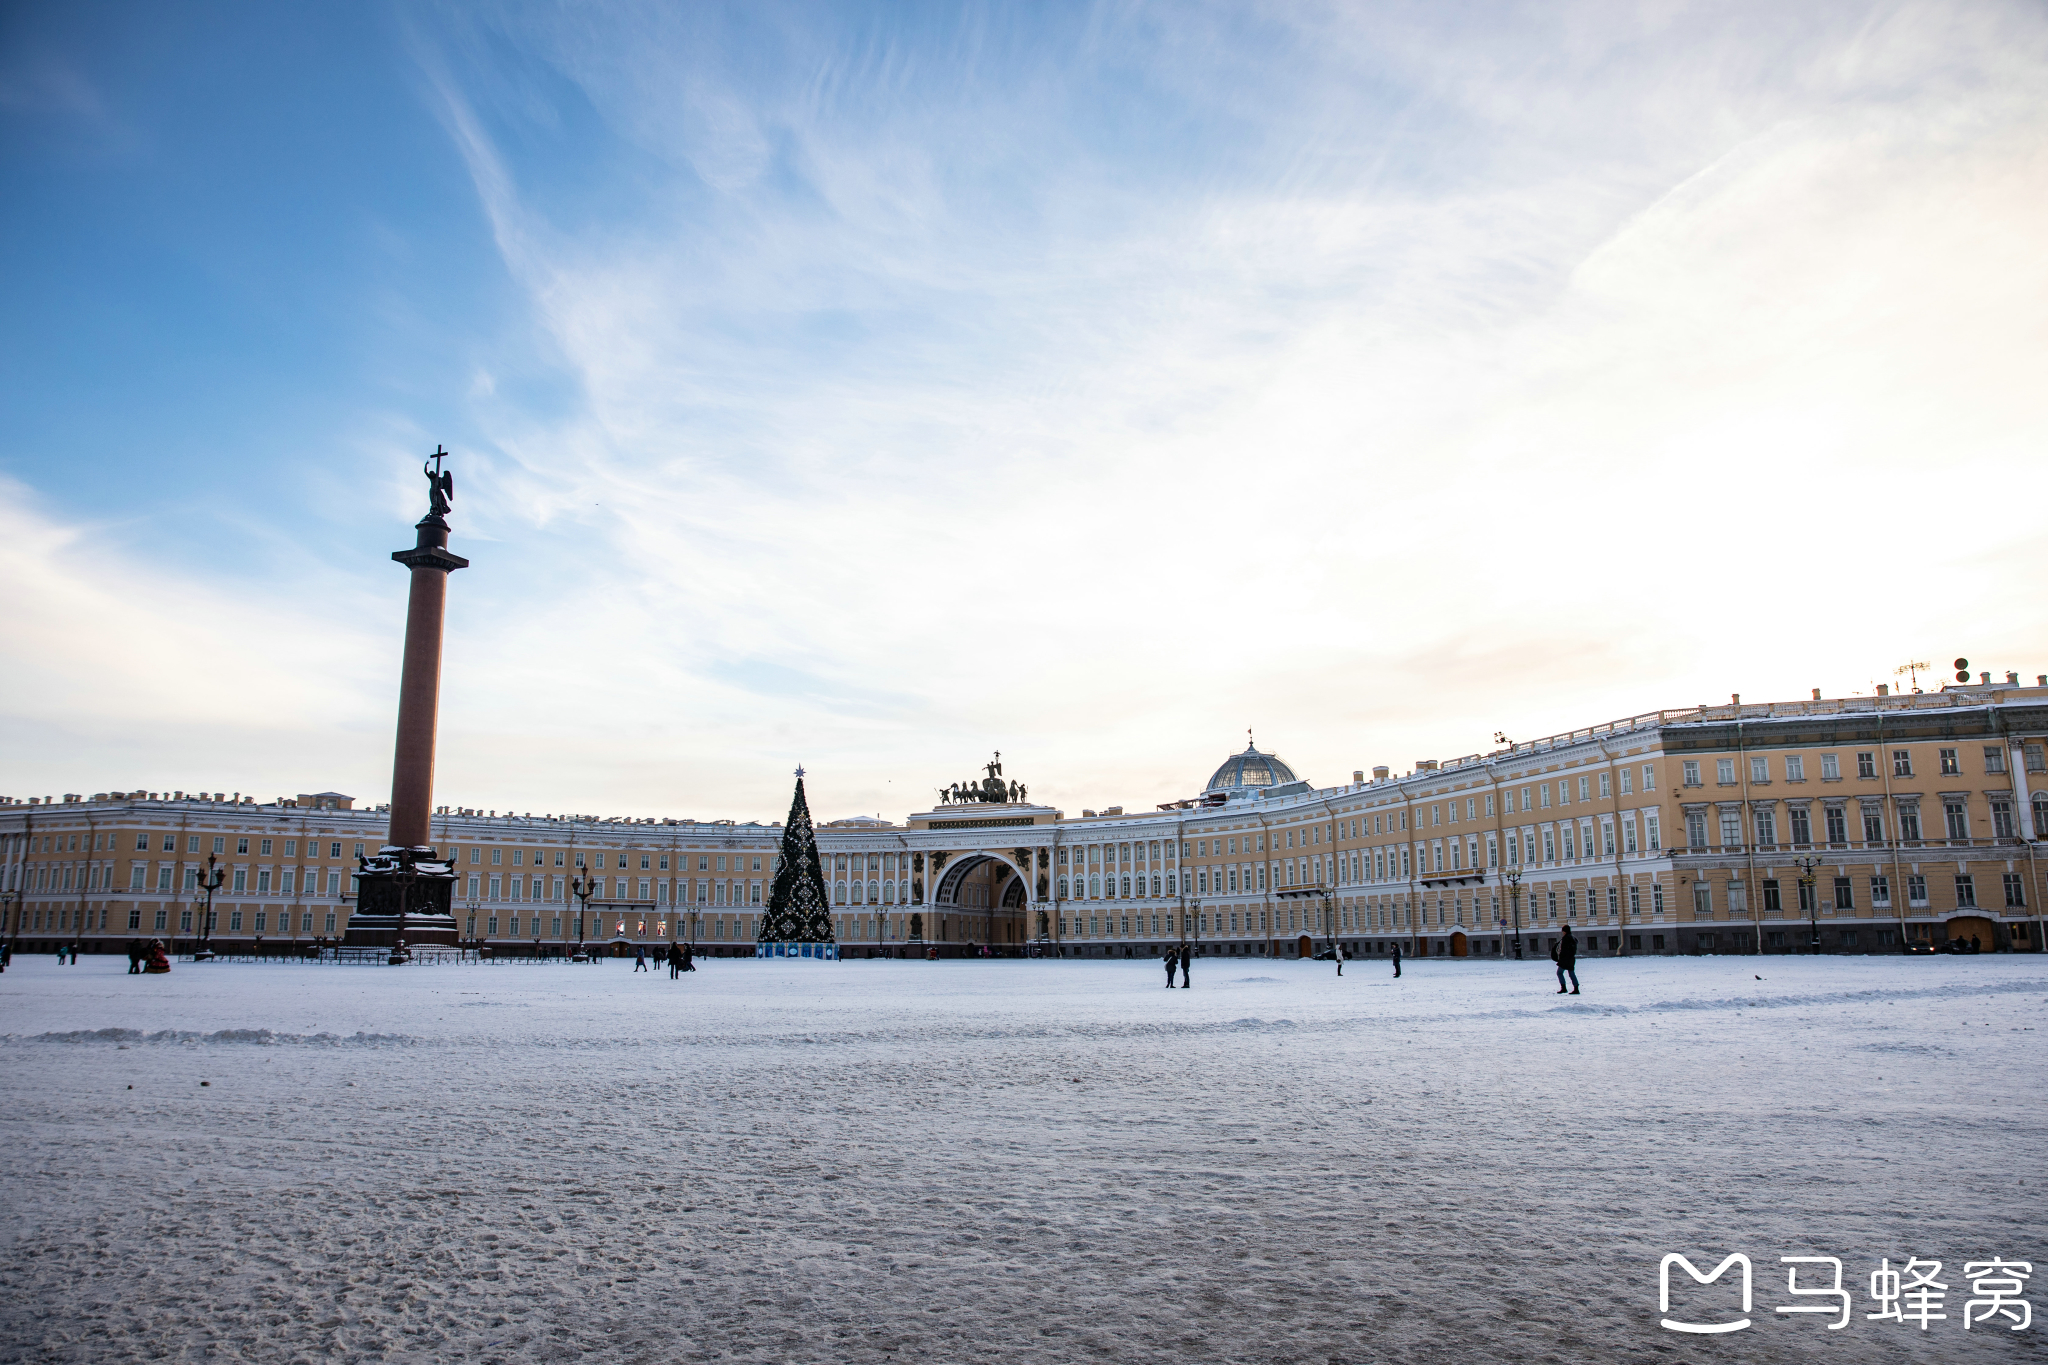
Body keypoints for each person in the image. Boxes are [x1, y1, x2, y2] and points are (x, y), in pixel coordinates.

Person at [1554, 924, 1580, 995]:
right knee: (1571, 973)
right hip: (1571, 959)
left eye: (1563, 931)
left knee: (1559, 972)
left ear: (1565, 931)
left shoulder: (1566, 939)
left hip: (1565, 959)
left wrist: (1560, 958)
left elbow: (1564, 950)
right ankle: (1576, 988)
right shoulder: (1572, 938)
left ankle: (1563, 988)